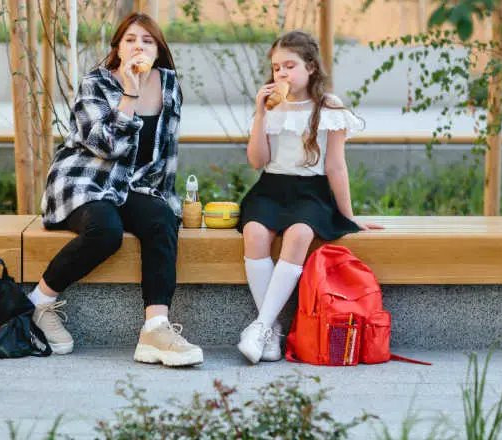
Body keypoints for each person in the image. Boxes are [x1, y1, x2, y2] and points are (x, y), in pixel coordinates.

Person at [29, 13, 203, 367]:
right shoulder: (95, 83)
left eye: (148, 41)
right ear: (118, 49)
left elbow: (165, 151)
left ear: (158, 49)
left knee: (161, 222)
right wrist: (130, 93)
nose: (139, 46)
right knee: (105, 231)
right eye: (131, 40)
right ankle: (39, 304)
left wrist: (165, 202)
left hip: (135, 185)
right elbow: (104, 147)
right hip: (86, 179)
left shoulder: (168, 83)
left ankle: (155, 329)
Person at [236, 30, 384, 364]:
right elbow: (257, 162)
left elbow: (336, 167)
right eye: (276, 68)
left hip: (310, 191)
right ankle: (271, 330)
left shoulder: (329, 107)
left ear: (311, 67)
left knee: (300, 233)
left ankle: (260, 326)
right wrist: (260, 115)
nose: (282, 74)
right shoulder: (271, 107)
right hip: (271, 187)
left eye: (290, 65)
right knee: (254, 231)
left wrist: (348, 216)